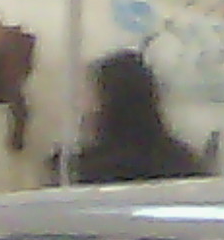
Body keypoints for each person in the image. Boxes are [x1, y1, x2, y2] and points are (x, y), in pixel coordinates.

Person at [68, 51, 208, 184]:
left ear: (107, 102)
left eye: (89, 96)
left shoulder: (88, 171)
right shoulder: (184, 162)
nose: (83, 107)